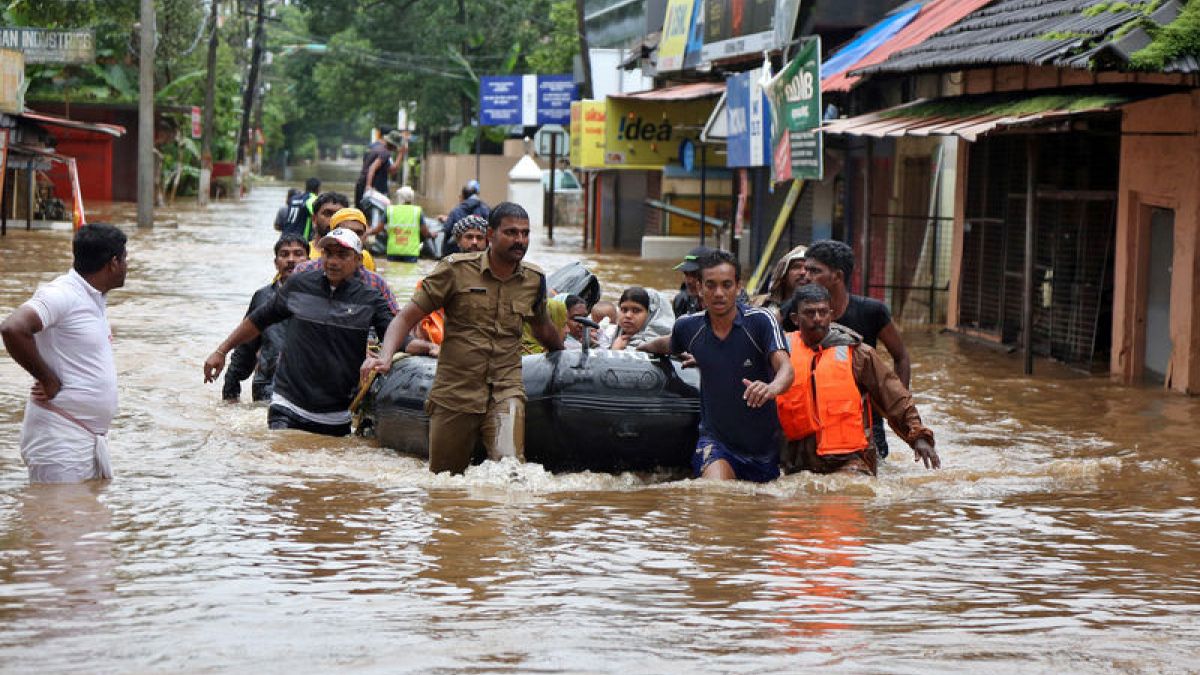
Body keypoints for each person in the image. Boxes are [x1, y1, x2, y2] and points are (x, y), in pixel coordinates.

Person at [361, 202, 564, 474]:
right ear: (491, 235)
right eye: (512, 232)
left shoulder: (533, 279)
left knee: (511, 472)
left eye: (525, 234)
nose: (520, 240)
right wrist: (385, 358)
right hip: (455, 392)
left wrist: (565, 356)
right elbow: (405, 317)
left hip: (506, 388)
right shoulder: (454, 270)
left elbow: (543, 328)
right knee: (446, 480)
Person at [203, 228, 399, 436]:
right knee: (282, 461)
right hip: (287, 405)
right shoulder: (299, 285)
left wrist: (427, 347)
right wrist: (221, 351)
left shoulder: (370, 298)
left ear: (358, 260)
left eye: (342, 255)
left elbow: (397, 334)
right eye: (328, 254)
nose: (333, 261)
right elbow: (258, 321)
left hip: (336, 415)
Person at [639, 250, 793, 483]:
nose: (719, 293)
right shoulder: (688, 327)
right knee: (717, 498)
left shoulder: (761, 321)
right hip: (716, 443)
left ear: (738, 287)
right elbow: (667, 344)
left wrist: (771, 388)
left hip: (763, 449)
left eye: (726, 285)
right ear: (699, 287)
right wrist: (635, 348)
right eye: (711, 285)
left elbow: (786, 369)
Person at [1, 224, 128, 483]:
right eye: (125, 258)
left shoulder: (93, 298)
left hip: (86, 437)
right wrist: (47, 379)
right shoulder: (62, 294)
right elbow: (13, 328)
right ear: (113, 263)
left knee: (85, 520)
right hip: (59, 438)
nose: (127, 266)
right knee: (58, 520)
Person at [775, 284, 939, 475]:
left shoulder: (858, 354)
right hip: (795, 461)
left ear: (831, 314)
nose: (817, 318)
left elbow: (894, 396)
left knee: (851, 493)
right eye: (809, 313)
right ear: (795, 319)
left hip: (849, 459)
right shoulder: (780, 352)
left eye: (822, 312)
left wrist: (918, 436)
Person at [805, 239, 912, 459]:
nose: (806, 276)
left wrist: (895, 405)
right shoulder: (797, 313)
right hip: (817, 417)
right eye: (806, 270)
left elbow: (901, 356)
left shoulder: (872, 311)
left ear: (837, 276)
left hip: (867, 417)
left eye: (815, 271)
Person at [222, 234, 309, 402]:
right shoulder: (263, 297)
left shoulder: (320, 295)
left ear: (309, 260)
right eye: (284, 254)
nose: (291, 260)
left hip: (307, 386)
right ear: (276, 263)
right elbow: (246, 346)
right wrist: (230, 390)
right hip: (267, 386)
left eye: (298, 254)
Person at [309, 207, 378, 272]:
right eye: (348, 231)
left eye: (359, 233)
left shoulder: (366, 258)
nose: (354, 237)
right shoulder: (310, 266)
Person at [609, 286, 675, 351]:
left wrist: (615, 352)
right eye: (624, 310)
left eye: (636, 310)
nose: (628, 315)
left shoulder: (663, 347)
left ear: (651, 315)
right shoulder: (610, 338)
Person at [440, 181, 490, 256]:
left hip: (456, 253)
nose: (474, 242)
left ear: (463, 196)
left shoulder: (456, 210)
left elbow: (447, 229)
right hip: (480, 255)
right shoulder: (486, 209)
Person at [355, 130, 403, 209]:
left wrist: (400, 155)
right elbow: (372, 168)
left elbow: (391, 169)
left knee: (361, 216)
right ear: (394, 146)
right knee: (383, 210)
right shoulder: (385, 153)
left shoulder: (374, 148)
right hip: (372, 188)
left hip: (360, 184)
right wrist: (368, 186)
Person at [762, 244, 808, 327]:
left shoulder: (821, 312)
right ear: (783, 276)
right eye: (796, 267)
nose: (803, 272)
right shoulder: (762, 306)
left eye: (808, 268)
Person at [386, 185, 425, 262]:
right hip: (411, 252)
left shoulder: (390, 210)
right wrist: (432, 235)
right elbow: (425, 232)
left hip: (393, 251)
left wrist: (368, 232)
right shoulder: (417, 211)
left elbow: (378, 229)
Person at [672, 245, 711, 317]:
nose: (689, 281)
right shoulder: (681, 302)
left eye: (694, 275)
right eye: (686, 274)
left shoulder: (728, 305)